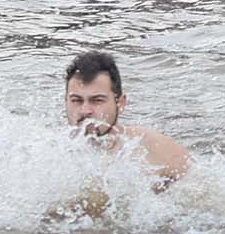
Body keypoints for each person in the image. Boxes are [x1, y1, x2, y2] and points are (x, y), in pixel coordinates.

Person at [62, 50, 192, 186]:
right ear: (66, 101)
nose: (85, 111)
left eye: (97, 100)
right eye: (76, 100)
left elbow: (200, 190)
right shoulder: (51, 154)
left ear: (120, 103)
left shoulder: (156, 150)